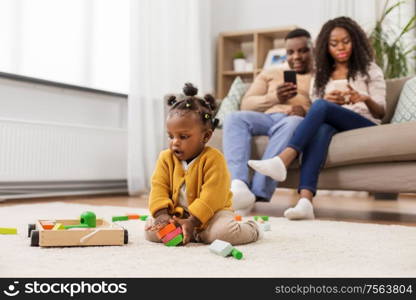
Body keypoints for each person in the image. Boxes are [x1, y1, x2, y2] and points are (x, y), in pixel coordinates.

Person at [248, 17, 386, 220]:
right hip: (334, 123)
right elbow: (317, 109)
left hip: (364, 123)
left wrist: (363, 98)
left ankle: (283, 159)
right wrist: (330, 102)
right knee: (321, 125)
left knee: (321, 106)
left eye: (346, 41)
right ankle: (305, 201)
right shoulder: (322, 74)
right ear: (326, 46)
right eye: (334, 43)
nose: (341, 47)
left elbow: (381, 112)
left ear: (355, 41)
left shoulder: (370, 69)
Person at [145, 83, 262, 245]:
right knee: (150, 231)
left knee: (224, 233)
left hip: (213, 215)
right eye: (171, 136)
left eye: (183, 137)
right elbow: (158, 187)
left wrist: (193, 221)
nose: (175, 143)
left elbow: (212, 196)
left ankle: (251, 229)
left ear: (205, 137)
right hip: (178, 214)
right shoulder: (165, 158)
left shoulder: (214, 159)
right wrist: (162, 216)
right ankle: (194, 234)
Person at [223, 28, 314, 214]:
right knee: (233, 118)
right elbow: (246, 104)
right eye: (291, 52)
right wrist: (275, 98)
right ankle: (238, 185)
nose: (296, 56)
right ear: (285, 54)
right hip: (265, 117)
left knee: (295, 122)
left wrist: (305, 111)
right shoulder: (270, 73)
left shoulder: (319, 76)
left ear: (312, 50)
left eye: (303, 50)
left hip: (292, 119)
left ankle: (256, 193)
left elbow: (325, 108)